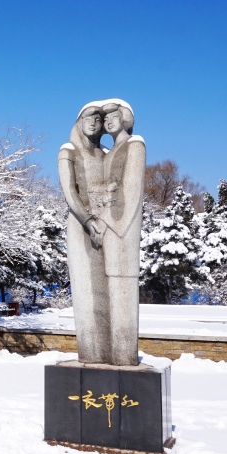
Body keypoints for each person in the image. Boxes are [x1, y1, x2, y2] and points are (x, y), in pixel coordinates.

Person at [58, 99, 145, 366]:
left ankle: (108, 353)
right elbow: (70, 193)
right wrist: (87, 220)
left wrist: (103, 221)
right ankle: (91, 352)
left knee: (105, 291)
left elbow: (121, 189)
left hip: (105, 227)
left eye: (99, 120)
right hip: (82, 225)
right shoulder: (68, 150)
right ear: (79, 123)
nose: (96, 124)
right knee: (87, 290)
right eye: (90, 119)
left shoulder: (107, 152)